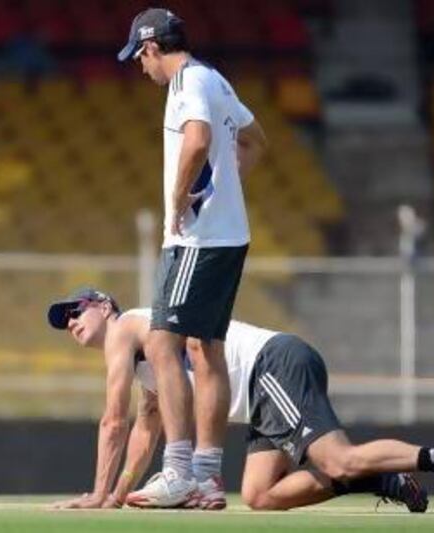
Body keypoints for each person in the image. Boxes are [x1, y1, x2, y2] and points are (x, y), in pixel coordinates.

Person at [46, 289, 434, 513]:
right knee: (260, 496)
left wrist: (99, 494)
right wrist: (116, 496)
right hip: (261, 392)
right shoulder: (151, 361)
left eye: (75, 310)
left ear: (104, 306)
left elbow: (113, 421)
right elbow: (146, 430)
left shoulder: (127, 329)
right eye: (64, 321)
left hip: (272, 365)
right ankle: (384, 482)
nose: (70, 322)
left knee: (338, 458)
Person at [116, 7, 267, 508]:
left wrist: (181, 200)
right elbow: (255, 139)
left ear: (151, 47)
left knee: (161, 344)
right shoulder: (216, 80)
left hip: (195, 241)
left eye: (139, 57)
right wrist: (227, 189)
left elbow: (199, 140)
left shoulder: (185, 85)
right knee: (207, 351)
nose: (141, 68)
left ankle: (178, 470)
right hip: (228, 235)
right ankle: (206, 476)